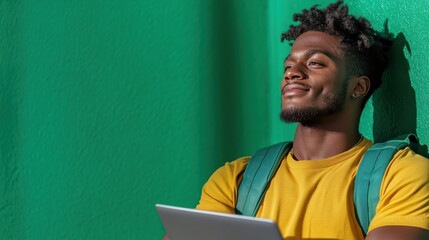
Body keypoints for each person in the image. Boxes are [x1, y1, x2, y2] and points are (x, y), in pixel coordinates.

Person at [163, 1, 428, 239]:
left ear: (358, 87)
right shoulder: (235, 180)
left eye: (315, 64)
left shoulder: (401, 175)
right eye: (288, 66)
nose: (292, 74)